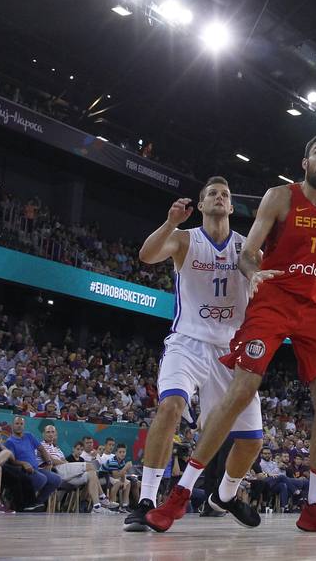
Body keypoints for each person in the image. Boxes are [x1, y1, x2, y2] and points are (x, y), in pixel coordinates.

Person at [145, 137, 316, 535]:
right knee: (240, 388)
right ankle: (180, 494)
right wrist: (252, 272)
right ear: (305, 161)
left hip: (315, 308)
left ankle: (314, 504)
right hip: (270, 301)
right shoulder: (279, 197)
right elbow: (247, 255)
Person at [124, 176, 263, 532]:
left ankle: (224, 496)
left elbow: (260, 279)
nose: (219, 197)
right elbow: (147, 255)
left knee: (251, 441)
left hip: (231, 351)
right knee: (170, 406)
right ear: (201, 205)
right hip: (187, 342)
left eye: (225, 195)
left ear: (232, 207)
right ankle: (146, 500)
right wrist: (171, 221)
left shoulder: (248, 248)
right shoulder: (185, 239)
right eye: (212, 194)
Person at [3, 415, 60, 511]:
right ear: (12, 425)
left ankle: (37, 502)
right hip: (22, 470)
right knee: (41, 479)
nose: (19, 426)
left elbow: (41, 449)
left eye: (21, 424)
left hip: (36, 468)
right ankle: (18, 499)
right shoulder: (9, 441)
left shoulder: (29, 436)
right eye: (17, 423)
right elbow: (11, 460)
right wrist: (23, 463)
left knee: (56, 479)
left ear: (24, 425)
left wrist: (49, 462)